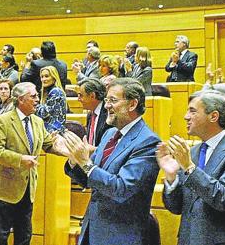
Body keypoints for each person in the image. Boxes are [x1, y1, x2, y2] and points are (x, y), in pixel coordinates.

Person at [62, 77, 160, 245]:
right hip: (92, 229)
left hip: (121, 235)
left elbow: (121, 189)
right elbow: (88, 179)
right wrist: (74, 160)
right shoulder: (109, 135)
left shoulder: (147, 142)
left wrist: (85, 162)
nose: (106, 105)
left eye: (112, 100)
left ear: (132, 104)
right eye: (106, 100)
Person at [158, 90, 225, 244]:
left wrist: (189, 168)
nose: (185, 116)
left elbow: (223, 199)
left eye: (192, 111)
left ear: (213, 116)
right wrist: (171, 178)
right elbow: (175, 207)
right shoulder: (192, 153)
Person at [0, 82, 67, 245]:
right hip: (5, 187)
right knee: (0, 236)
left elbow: (48, 145)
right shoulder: (3, 121)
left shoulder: (37, 121)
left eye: (37, 95)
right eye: (34, 96)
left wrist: (69, 151)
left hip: (28, 187)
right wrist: (20, 159)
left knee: (24, 235)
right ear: (20, 99)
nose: (38, 99)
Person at [77, 78, 109, 147]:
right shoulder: (90, 115)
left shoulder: (109, 115)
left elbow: (109, 148)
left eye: (81, 95)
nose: (78, 99)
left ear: (92, 96)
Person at [36, 66, 67, 132]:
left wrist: (33, 105)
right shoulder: (48, 91)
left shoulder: (56, 92)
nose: (43, 79)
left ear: (54, 77)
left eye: (46, 76)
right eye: (42, 77)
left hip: (54, 133)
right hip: (49, 131)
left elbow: (44, 113)